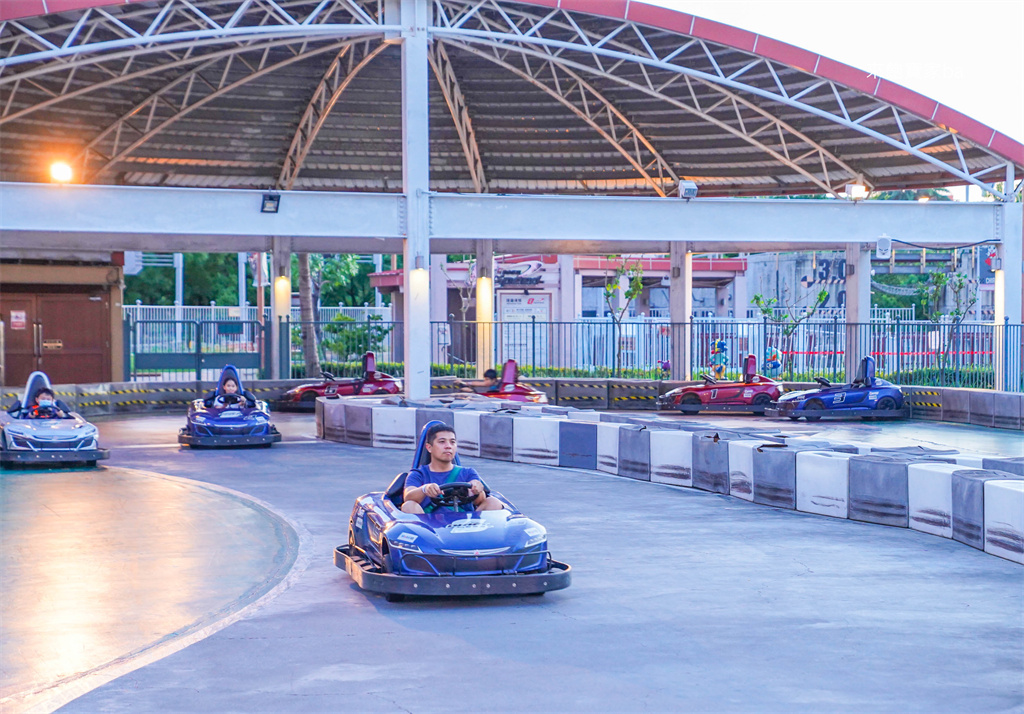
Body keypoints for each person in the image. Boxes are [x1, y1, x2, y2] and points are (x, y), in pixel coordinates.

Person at [402, 423, 503, 514]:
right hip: (431, 527)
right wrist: (424, 489)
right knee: (409, 505)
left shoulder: (468, 472)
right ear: (429, 447)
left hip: (466, 525)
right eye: (442, 442)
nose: (448, 446)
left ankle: (484, 534)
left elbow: (480, 501)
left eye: (452, 442)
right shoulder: (418, 474)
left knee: (493, 502)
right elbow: (408, 497)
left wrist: (477, 490)